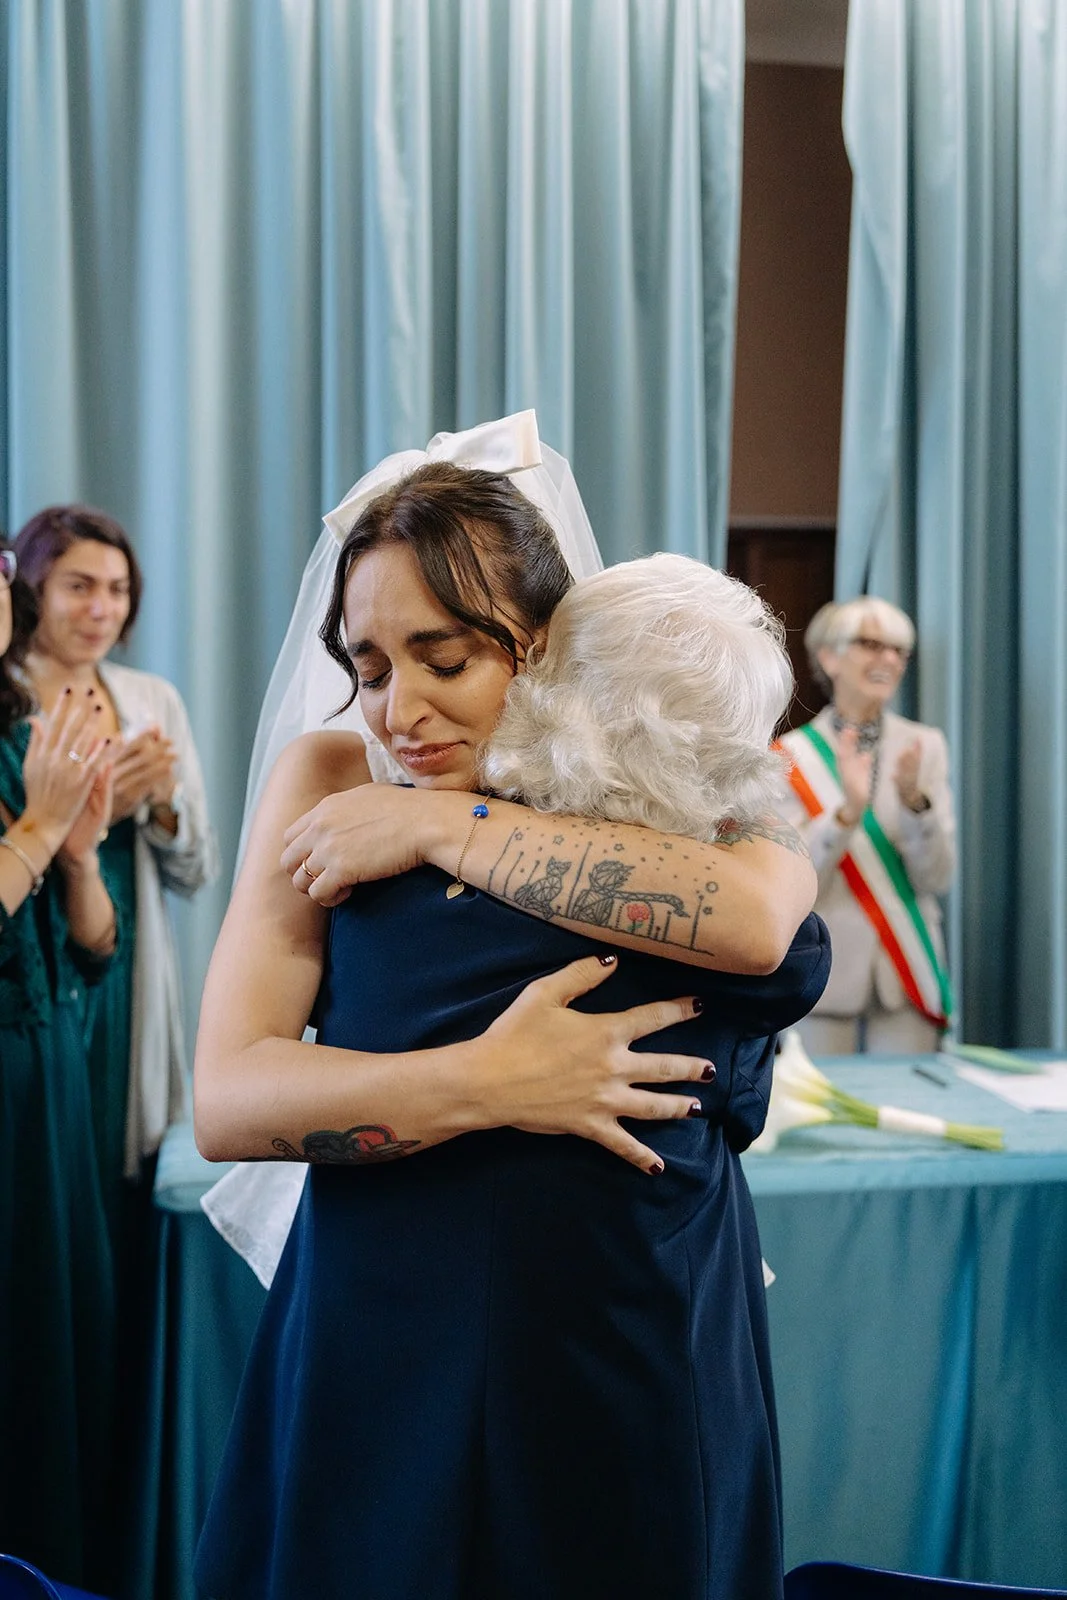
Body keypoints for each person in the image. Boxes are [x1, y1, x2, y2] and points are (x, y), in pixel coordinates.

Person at [193, 419, 827, 1600]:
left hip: (621, 1326)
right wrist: (486, 1082)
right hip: (381, 1322)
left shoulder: (652, 786)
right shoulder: (325, 780)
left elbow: (757, 917)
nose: (398, 712)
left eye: (445, 659)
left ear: (539, 647)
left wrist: (439, 824)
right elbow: (228, 1100)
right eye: (369, 666)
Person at [13, 506, 218, 1214]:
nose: (101, 609)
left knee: (121, 1171)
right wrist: (69, 820)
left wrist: (160, 804)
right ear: (31, 585)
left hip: (125, 962)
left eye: (118, 589)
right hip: (31, 960)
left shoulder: (150, 702)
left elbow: (198, 872)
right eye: (79, 586)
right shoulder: (6, 705)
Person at [0, 540, 121, 1587]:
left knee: (57, 1342)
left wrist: (78, 852)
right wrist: (41, 828)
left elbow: (93, 940)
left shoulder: (17, 736)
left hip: (48, 1077)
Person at [777, 596, 956, 1055]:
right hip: (825, 974)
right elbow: (794, 884)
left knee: (912, 1115)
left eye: (899, 650)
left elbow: (937, 877)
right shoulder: (790, 756)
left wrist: (917, 804)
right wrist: (846, 814)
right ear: (829, 656)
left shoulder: (925, 747)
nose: (889, 659)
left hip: (907, 974)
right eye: (871, 645)